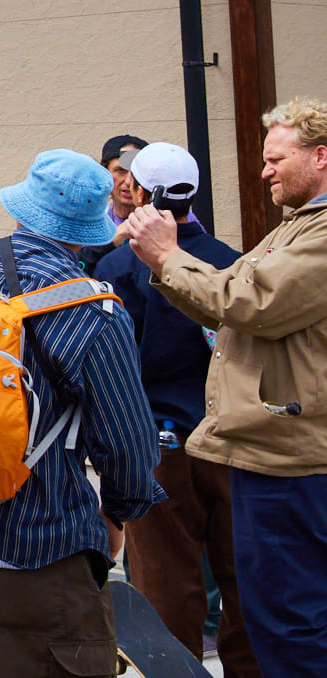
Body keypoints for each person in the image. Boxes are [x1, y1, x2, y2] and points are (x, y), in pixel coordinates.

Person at [0, 149, 161, 678]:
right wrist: (119, 513)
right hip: (41, 547)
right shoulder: (92, 308)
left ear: (24, 206)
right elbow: (127, 443)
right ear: (88, 227)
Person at [128, 97, 327, 678]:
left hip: (289, 462)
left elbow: (249, 303)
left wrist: (166, 257)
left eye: (275, 159)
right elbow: (229, 299)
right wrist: (170, 265)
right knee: (268, 612)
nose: (264, 171)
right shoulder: (296, 228)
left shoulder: (318, 235)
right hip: (267, 453)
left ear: (321, 156)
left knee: (289, 621)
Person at [96, 143, 259, 676]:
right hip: (234, 442)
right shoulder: (231, 260)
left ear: (140, 191)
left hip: (159, 446)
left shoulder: (120, 266)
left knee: (165, 587)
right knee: (245, 578)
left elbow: (116, 366)